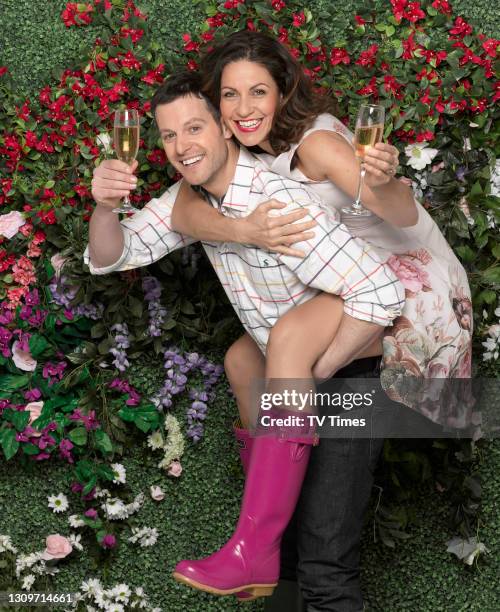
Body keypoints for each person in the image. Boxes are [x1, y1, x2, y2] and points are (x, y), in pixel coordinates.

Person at [167, 30, 473, 610]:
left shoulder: (315, 145)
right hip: (343, 318)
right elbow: (182, 205)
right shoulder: (238, 156)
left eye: (258, 91)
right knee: (241, 358)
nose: (244, 108)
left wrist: (383, 181)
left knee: (324, 557)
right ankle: (257, 537)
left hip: (391, 328)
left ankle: (259, 532)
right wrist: (243, 230)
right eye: (229, 96)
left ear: (284, 93)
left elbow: (402, 210)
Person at [85, 70, 405, 602]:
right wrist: (103, 205)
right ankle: (255, 551)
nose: (183, 146)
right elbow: (110, 256)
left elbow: (382, 293)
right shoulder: (190, 201)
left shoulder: (280, 205)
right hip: (290, 382)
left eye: (194, 128)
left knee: (324, 558)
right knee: (287, 557)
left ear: (225, 130)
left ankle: (251, 545)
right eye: (168, 136)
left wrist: (312, 368)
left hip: (354, 371)